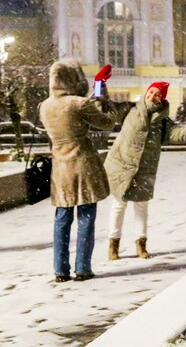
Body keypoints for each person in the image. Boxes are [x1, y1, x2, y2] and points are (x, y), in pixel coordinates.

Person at [104, 82, 186, 260]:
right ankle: (113, 246)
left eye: (158, 94)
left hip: (145, 169)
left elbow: (182, 135)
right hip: (121, 166)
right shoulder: (130, 110)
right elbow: (107, 108)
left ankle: (141, 245)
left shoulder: (163, 122)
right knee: (118, 205)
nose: (153, 96)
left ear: (162, 98)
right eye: (151, 92)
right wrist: (100, 84)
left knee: (141, 207)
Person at [38, 58, 116, 282]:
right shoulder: (79, 104)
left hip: (60, 169)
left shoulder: (45, 105)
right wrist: (103, 101)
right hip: (83, 164)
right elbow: (107, 123)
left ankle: (60, 269)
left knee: (62, 218)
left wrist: (87, 100)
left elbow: (68, 116)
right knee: (86, 216)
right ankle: (82, 268)